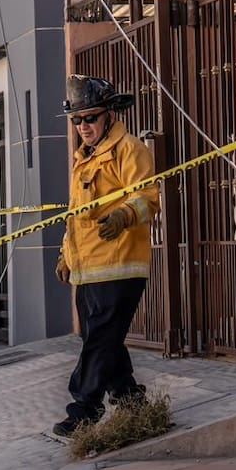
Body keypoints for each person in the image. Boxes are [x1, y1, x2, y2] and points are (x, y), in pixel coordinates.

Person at [52, 75, 160, 437]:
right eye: (77, 120)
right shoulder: (84, 160)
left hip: (120, 266)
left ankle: (84, 410)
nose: (83, 127)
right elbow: (76, 216)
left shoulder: (129, 149)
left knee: (99, 339)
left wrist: (124, 215)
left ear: (110, 115)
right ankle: (131, 402)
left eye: (91, 118)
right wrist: (66, 255)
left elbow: (147, 198)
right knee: (100, 339)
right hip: (88, 270)